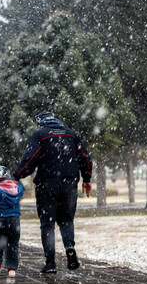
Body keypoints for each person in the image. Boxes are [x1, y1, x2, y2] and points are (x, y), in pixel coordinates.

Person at [13, 111, 92, 273]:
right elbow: (85, 157)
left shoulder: (39, 135)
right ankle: (70, 248)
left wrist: (17, 176)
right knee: (66, 220)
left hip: (47, 184)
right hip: (69, 184)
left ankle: (50, 263)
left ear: (40, 122)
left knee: (47, 224)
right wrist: (87, 179)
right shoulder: (71, 134)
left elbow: (30, 158)